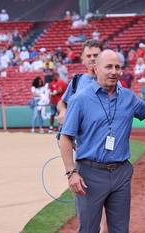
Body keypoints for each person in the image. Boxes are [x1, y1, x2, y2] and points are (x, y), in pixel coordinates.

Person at [59, 49, 145, 233]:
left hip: (121, 172)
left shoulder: (129, 97)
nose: (114, 71)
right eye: (108, 67)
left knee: (120, 229)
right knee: (89, 229)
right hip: (90, 174)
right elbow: (65, 137)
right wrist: (71, 172)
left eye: (117, 67)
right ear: (95, 69)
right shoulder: (79, 99)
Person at [57, 39, 109, 232]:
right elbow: (62, 103)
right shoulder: (77, 81)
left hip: (103, 146)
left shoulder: (109, 79)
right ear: (83, 58)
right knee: (85, 190)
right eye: (89, 55)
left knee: (105, 188)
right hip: (81, 147)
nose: (92, 59)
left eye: (96, 55)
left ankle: (103, 226)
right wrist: (63, 111)